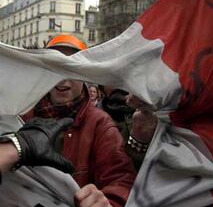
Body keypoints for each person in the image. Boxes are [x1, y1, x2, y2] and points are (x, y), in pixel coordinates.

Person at [23, 35, 136, 207]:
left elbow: (121, 181)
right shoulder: (22, 114)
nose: (63, 79)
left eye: (72, 68)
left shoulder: (100, 124)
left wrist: (105, 202)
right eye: (57, 66)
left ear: (85, 74)